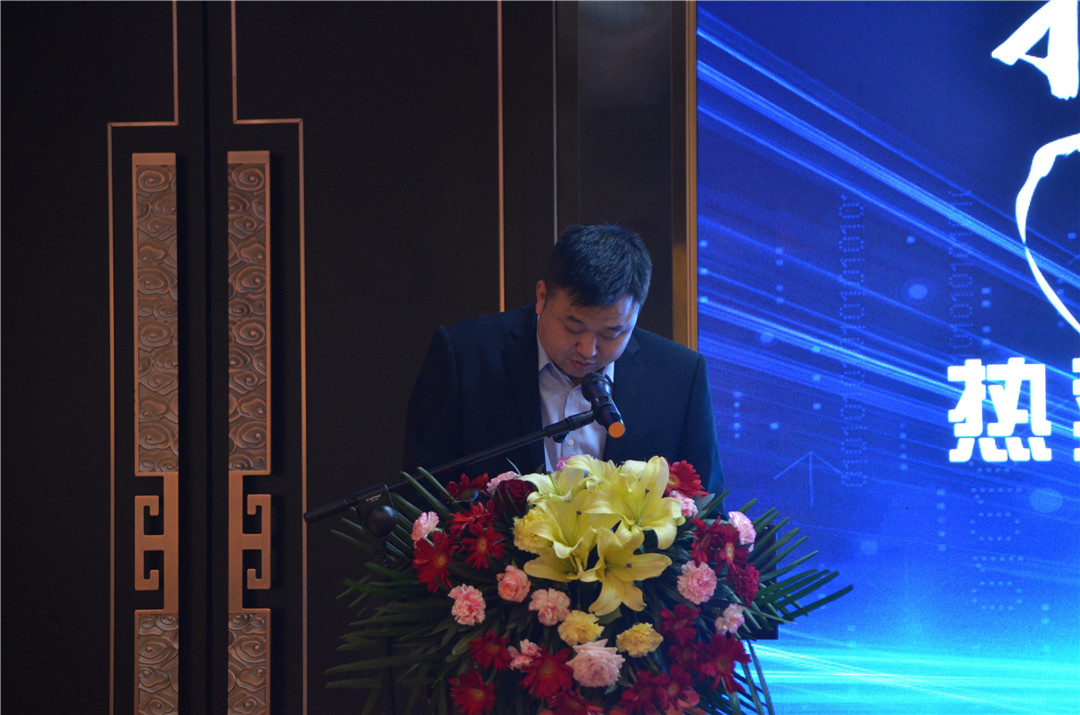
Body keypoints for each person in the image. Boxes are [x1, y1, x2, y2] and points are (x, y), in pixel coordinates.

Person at [403, 224, 724, 493]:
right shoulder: (465, 357)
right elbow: (421, 497)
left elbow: (707, 510)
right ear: (542, 296)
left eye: (611, 333)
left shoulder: (680, 376)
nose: (588, 349)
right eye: (573, 327)